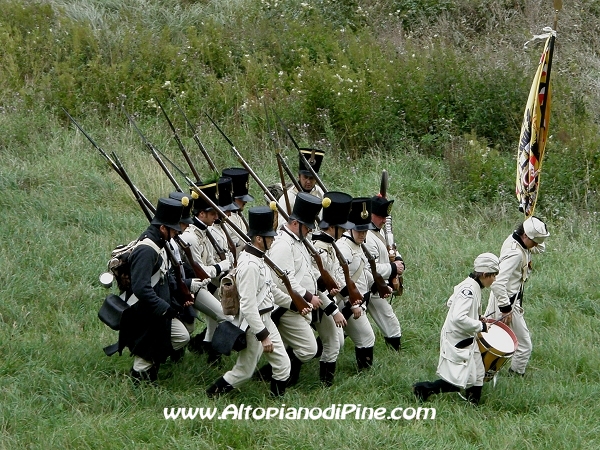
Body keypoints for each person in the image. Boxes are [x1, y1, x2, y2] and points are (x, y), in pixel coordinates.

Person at [206, 206, 297, 397]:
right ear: (258, 238)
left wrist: (294, 304)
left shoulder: (259, 259)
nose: (273, 240)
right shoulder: (250, 266)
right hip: (254, 326)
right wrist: (263, 335)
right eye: (269, 236)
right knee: (244, 372)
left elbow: (270, 291)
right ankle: (212, 395)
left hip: (266, 320)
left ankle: (276, 405)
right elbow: (248, 306)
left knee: (283, 365)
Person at [118, 197, 190, 382]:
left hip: (155, 310)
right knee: (151, 349)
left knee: (180, 336)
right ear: (163, 228)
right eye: (173, 230)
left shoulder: (159, 244)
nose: (176, 234)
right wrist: (165, 308)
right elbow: (141, 288)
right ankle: (138, 381)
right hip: (145, 312)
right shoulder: (147, 250)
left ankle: (150, 369)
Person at [413, 253, 500, 405]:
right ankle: (424, 389)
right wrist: (481, 326)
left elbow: (451, 302)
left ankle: (473, 405)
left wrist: (477, 317)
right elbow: (458, 318)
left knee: (478, 374)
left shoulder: (471, 285)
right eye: (493, 276)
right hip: (458, 338)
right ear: (485, 274)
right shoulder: (469, 290)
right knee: (460, 378)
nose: (494, 279)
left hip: (467, 337)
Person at [264, 192, 324, 386]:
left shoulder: (296, 240)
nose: (308, 231)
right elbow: (284, 280)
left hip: (298, 304)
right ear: (296, 223)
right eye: (307, 227)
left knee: (284, 347)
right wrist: (308, 296)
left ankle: (279, 374)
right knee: (308, 349)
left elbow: (305, 271)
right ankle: (280, 377)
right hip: (286, 306)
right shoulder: (283, 244)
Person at [485, 216, 550, 376]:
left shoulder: (519, 240)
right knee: (523, 344)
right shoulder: (515, 253)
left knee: (487, 336)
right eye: (534, 240)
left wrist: (532, 224)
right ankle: (514, 375)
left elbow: (540, 248)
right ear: (525, 236)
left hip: (510, 300)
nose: (536, 245)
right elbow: (497, 282)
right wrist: (506, 309)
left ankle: (479, 369)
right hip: (505, 302)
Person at [178, 180, 232, 364]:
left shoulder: (204, 232)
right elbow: (201, 270)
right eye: (212, 213)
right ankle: (215, 355)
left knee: (216, 317)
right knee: (223, 316)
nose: (216, 216)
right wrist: (223, 266)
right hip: (191, 286)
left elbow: (208, 264)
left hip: (204, 285)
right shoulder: (191, 237)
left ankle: (210, 352)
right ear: (201, 213)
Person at [310, 191, 351, 385]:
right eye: (341, 229)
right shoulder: (320, 247)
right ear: (333, 227)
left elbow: (332, 278)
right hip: (320, 302)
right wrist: (334, 310)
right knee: (333, 343)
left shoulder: (329, 245)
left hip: (327, 300)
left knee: (337, 341)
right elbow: (317, 285)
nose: (343, 233)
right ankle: (326, 384)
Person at [335, 197, 379, 370]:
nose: (363, 234)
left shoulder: (357, 244)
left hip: (356, 302)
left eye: (365, 230)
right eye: (359, 230)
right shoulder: (344, 247)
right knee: (365, 337)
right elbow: (338, 278)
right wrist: (351, 303)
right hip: (346, 303)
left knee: (331, 343)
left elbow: (361, 273)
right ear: (350, 227)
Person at [364, 195, 405, 351]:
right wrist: (394, 268)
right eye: (380, 216)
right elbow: (370, 268)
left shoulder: (378, 232)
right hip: (370, 287)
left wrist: (399, 261)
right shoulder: (366, 235)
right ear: (371, 214)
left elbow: (391, 249)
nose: (383, 220)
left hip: (376, 288)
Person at [276, 148, 325, 229]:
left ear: (316, 179)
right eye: (305, 177)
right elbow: (281, 225)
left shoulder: (321, 194)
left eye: (311, 178)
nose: (308, 181)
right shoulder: (288, 197)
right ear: (299, 176)